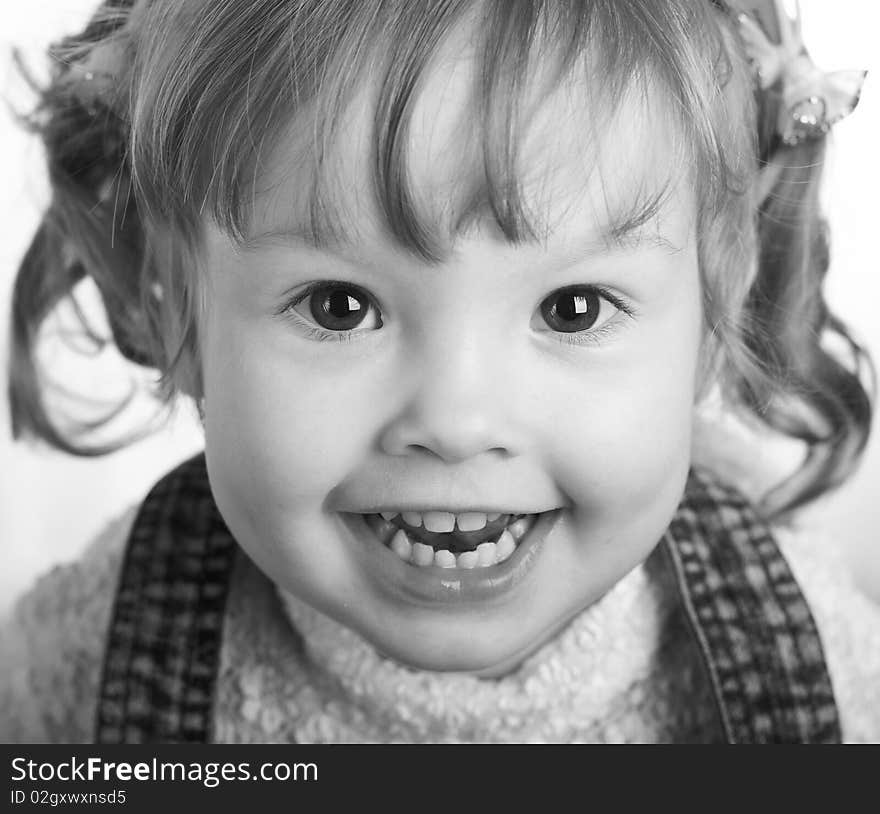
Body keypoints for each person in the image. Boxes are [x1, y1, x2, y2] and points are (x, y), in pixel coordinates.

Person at [2, 0, 878, 744]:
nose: (457, 419)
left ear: (715, 318)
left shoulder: (834, 667)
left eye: (573, 308)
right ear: (176, 310)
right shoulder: (68, 672)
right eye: (339, 306)